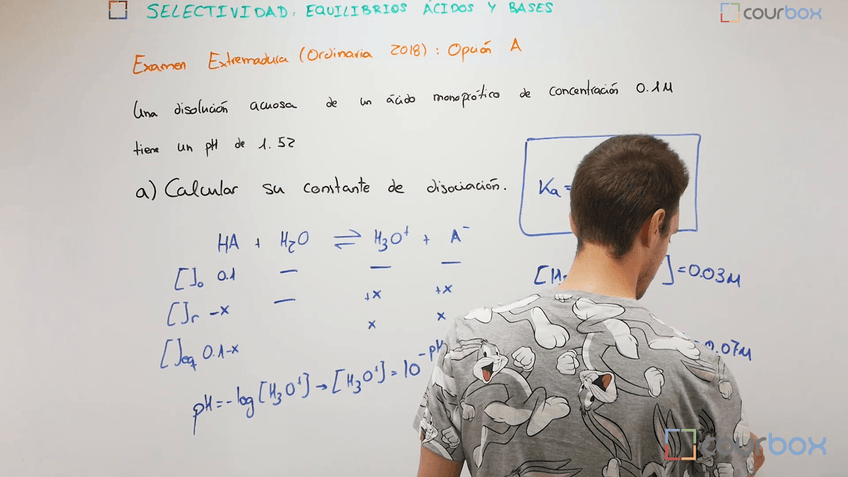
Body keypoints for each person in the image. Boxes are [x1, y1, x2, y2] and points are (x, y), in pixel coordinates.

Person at [413, 135, 764, 477]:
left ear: (574, 222)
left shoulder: (469, 342)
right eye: (670, 235)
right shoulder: (697, 374)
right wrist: (729, 446)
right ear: (654, 226)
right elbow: (685, 450)